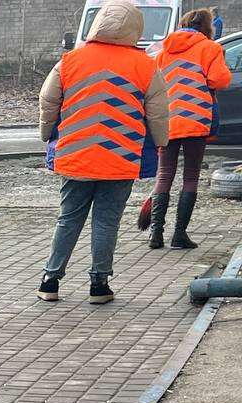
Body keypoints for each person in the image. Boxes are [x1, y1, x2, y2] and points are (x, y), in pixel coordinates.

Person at [38, 0, 168, 304]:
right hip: (120, 157)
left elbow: (48, 99)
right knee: (106, 221)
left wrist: (48, 135)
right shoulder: (145, 65)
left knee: (68, 219)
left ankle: (50, 280)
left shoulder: (70, 60)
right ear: (135, 28)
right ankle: (99, 285)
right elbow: (159, 112)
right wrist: (161, 143)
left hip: (76, 155)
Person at [149, 8, 232, 249]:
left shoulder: (164, 50)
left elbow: (154, 82)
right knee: (191, 176)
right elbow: (220, 80)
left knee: (164, 174)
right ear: (207, 27)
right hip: (196, 119)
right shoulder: (210, 48)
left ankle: (156, 234)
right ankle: (179, 234)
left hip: (168, 119)